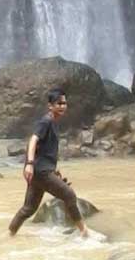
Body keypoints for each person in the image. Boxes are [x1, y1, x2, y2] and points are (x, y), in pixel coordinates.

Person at [8, 88, 89, 238]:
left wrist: (53, 172)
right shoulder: (46, 121)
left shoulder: (53, 122)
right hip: (40, 171)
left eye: (64, 103)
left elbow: (45, 150)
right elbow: (33, 140)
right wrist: (30, 164)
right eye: (59, 103)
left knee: (28, 209)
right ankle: (84, 232)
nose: (63, 106)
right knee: (69, 195)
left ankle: (9, 235)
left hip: (42, 171)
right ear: (50, 106)